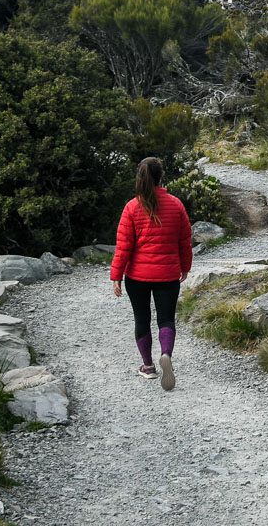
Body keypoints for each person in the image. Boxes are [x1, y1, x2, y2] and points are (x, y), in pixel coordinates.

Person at [109, 157, 192, 390]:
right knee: (166, 318)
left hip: (137, 276)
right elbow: (185, 241)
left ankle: (147, 366)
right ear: (161, 176)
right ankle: (166, 354)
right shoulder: (176, 204)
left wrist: (116, 275)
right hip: (167, 274)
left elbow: (123, 246)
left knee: (141, 318)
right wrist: (185, 267)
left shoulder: (132, 207)